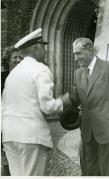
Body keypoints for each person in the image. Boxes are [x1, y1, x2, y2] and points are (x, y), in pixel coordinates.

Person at [1, 28, 68, 176]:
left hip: (10, 136)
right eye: (43, 47)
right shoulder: (40, 69)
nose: (45, 51)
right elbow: (48, 107)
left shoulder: (12, 74)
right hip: (31, 136)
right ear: (36, 48)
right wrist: (65, 101)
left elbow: (3, 108)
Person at [62, 37, 109, 176]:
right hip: (88, 132)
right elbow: (76, 98)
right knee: (90, 171)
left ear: (89, 50)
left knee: (107, 172)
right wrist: (59, 102)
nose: (75, 58)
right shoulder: (78, 73)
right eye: (74, 54)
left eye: (78, 53)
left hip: (108, 130)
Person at [1, 46, 23, 176]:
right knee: (7, 163)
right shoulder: (1, 78)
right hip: (5, 128)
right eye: (15, 57)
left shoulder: (24, 78)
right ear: (7, 60)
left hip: (21, 129)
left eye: (21, 57)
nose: (18, 60)